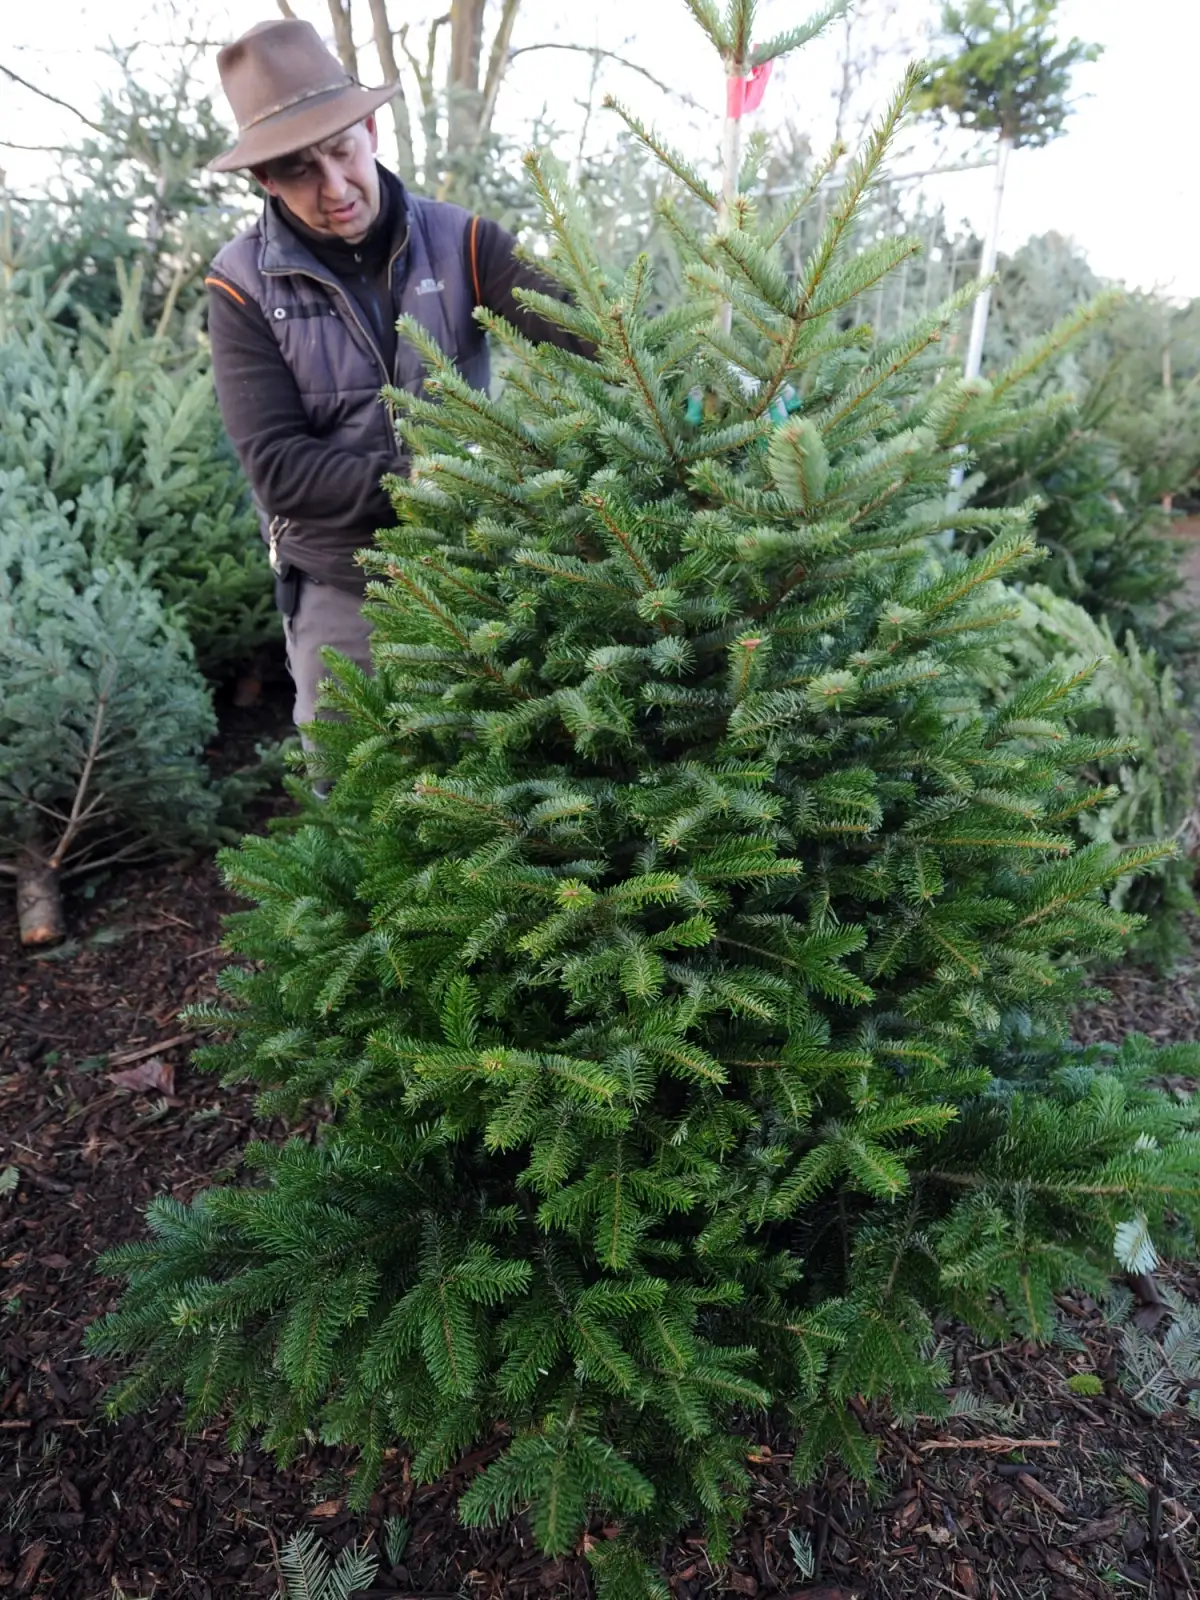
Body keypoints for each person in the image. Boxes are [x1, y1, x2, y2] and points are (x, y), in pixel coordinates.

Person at [204, 18, 587, 731]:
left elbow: (588, 333)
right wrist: (419, 482)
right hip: (340, 584)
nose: (336, 186)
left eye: (342, 152)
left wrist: (696, 378)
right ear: (264, 178)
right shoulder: (241, 287)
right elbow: (280, 470)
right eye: (299, 171)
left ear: (372, 130)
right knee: (354, 790)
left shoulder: (465, 241)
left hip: (476, 566)